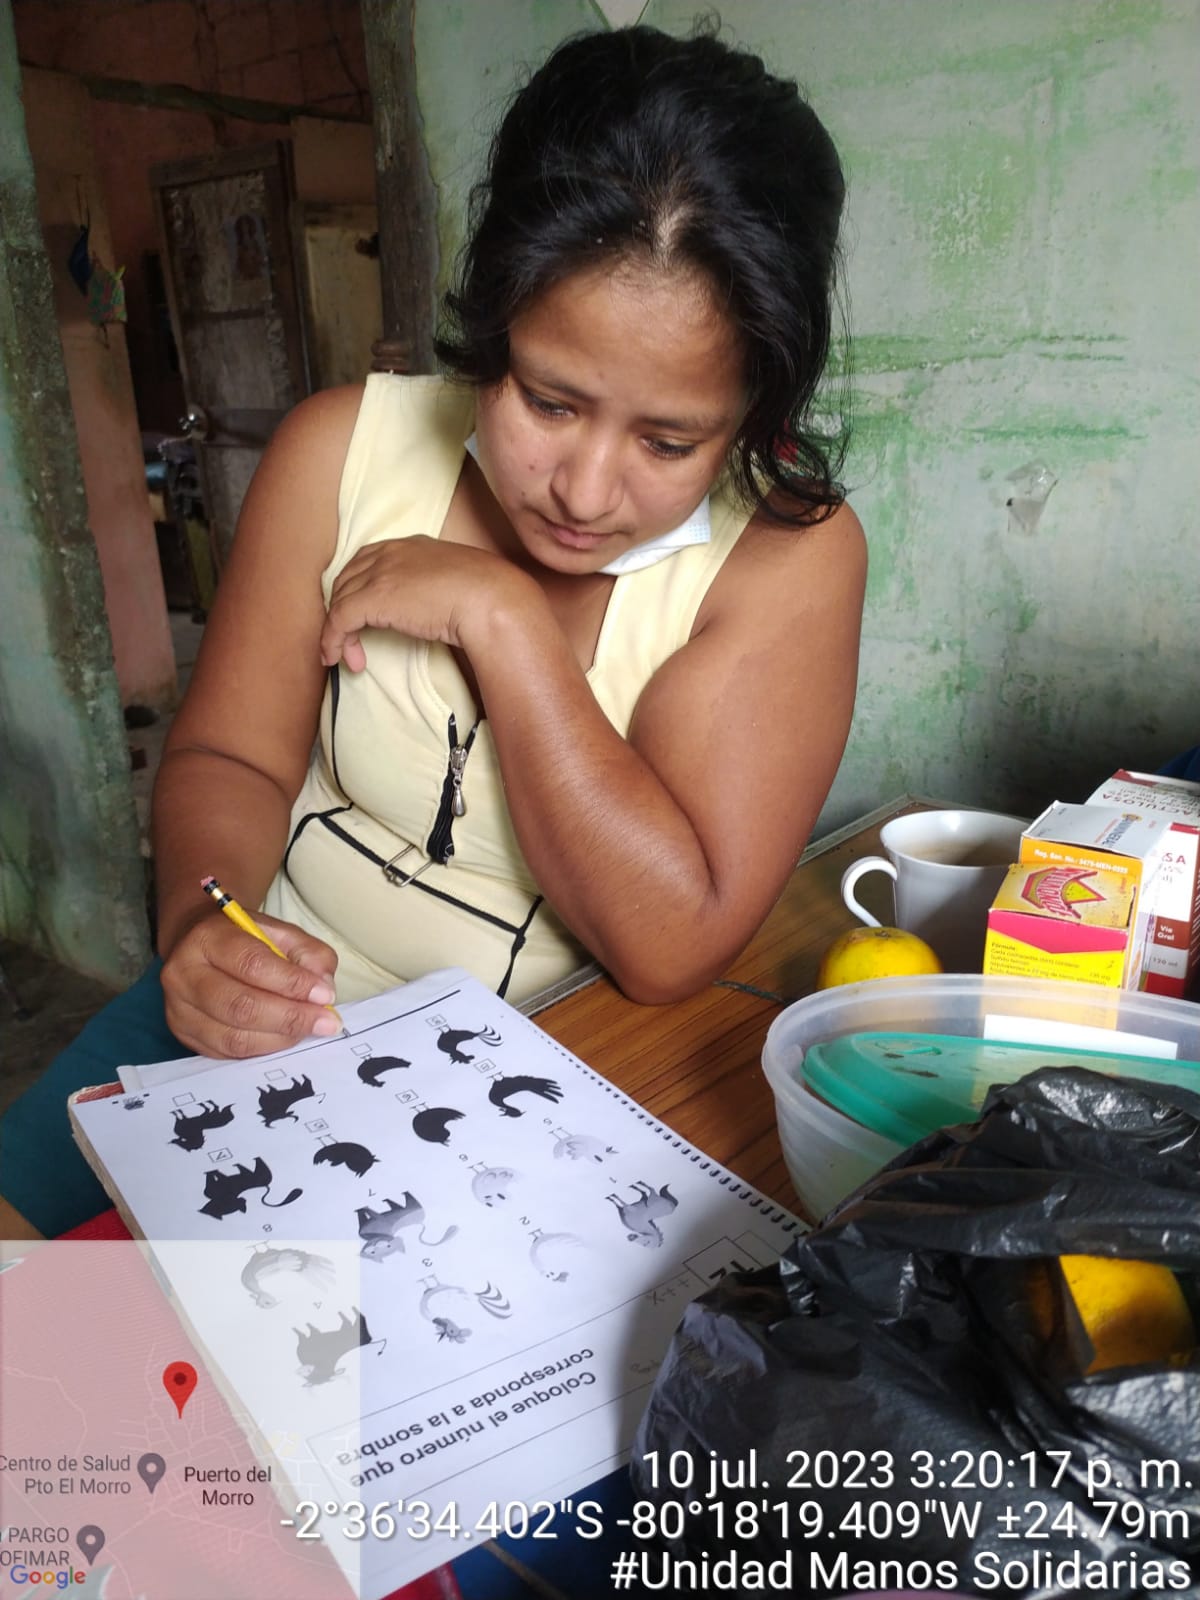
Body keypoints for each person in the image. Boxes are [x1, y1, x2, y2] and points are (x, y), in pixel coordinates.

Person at [0, 23, 865, 1239]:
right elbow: (229, 756)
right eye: (549, 402)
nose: (585, 490)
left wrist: (503, 620)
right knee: (32, 1297)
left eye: (669, 441)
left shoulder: (785, 557)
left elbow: (668, 942)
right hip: (253, 1014)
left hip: (525, 1076)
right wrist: (202, 925)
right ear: (497, 319)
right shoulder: (339, 450)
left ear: (752, 412)